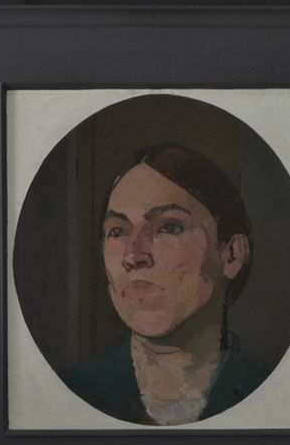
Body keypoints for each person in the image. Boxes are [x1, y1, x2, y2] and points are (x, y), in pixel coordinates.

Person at [60, 141, 272, 426]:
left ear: (231, 255)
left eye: (168, 227)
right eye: (118, 231)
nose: (134, 255)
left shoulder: (272, 392)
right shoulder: (72, 395)